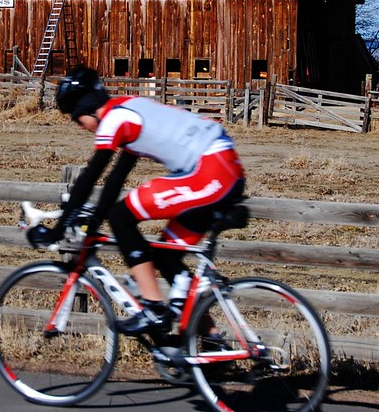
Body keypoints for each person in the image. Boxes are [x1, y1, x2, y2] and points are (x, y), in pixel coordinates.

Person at [27, 67, 246, 335]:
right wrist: (95, 218)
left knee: (121, 216)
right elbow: (115, 178)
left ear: (87, 108)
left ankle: (153, 309)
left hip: (210, 170)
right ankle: (212, 342)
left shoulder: (115, 118)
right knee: (166, 258)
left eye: (76, 119)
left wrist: (58, 230)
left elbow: (92, 174)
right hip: (222, 168)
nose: (80, 126)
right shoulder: (131, 108)